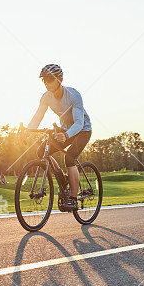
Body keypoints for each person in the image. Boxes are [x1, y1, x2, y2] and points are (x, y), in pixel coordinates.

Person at [26, 64, 92, 210]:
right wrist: (28, 131)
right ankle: (62, 179)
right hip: (65, 129)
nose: (46, 83)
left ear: (60, 79)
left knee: (69, 158)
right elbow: (38, 117)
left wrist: (66, 135)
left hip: (82, 130)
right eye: (44, 80)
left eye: (50, 79)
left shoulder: (74, 96)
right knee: (41, 152)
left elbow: (79, 123)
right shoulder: (46, 97)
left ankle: (73, 199)